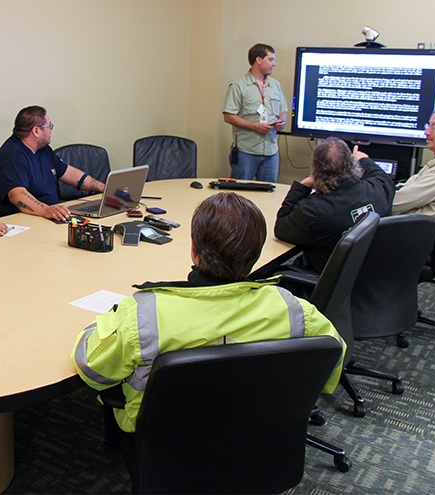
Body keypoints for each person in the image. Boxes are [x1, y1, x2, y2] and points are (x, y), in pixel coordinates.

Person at [71, 192, 345, 437]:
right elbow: (331, 358)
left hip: (163, 438)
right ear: (257, 254)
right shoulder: (294, 309)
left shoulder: (144, 314)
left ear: (194, 252)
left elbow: (92, 369)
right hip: (259, 432)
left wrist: (106, 322)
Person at [274, 137, 395, 274]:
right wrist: (362, 159)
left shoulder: (314, 209)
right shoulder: (380, 188)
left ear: (315, 169)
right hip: (372, 274)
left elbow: (281, 228)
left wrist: (302, 187)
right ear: (352, 164)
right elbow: (378, 173)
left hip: (330, 279)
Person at [0, 106, 105, 220]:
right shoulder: (12, 157)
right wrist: (46, 210)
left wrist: (103, 187)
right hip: (15, 219)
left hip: (44, 214)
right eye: (49, 126)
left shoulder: (43, 149)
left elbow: (69, 173)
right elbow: (17, 196)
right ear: (36, 131)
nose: (51, 130)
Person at [223, 43, 288, 183]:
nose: (274, 64)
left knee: (269, 194)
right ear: (258, 60)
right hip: (246, 152)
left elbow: (283, 109)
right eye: (271, 59)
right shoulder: (238, 86)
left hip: (271, 151)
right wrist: (255, 126)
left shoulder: (275, 85)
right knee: (239, 196)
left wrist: (281, 122)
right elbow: (228, 116)